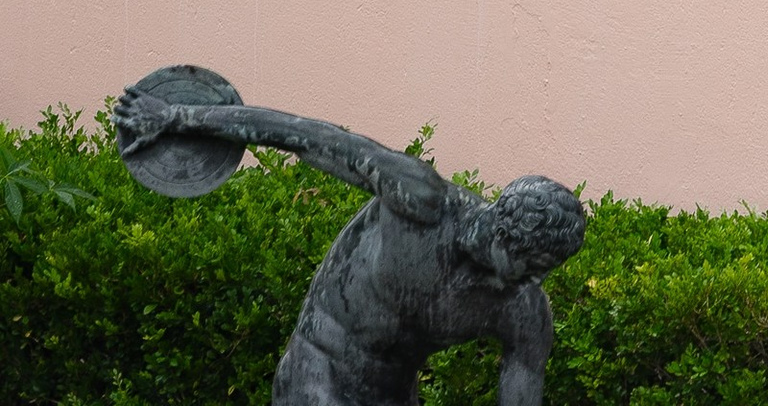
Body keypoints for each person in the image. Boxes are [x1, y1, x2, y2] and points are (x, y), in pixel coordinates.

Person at [111, 75, 584, 406]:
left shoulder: (521, 308)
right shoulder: (420, 198)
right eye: (535, 263)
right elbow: (309, 138)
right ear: (503, 234)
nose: (538, 279)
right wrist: (176, 116)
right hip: (319, 376)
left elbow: (521, 390)